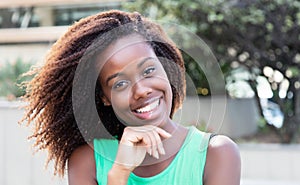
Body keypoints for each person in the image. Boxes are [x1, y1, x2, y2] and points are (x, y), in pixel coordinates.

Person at [21, 10, 241, 185]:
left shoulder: (216, 154)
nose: (142, 90)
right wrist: (119, 173)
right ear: (105, 98)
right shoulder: (87, 162)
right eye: (120, 83)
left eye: (148, 71)